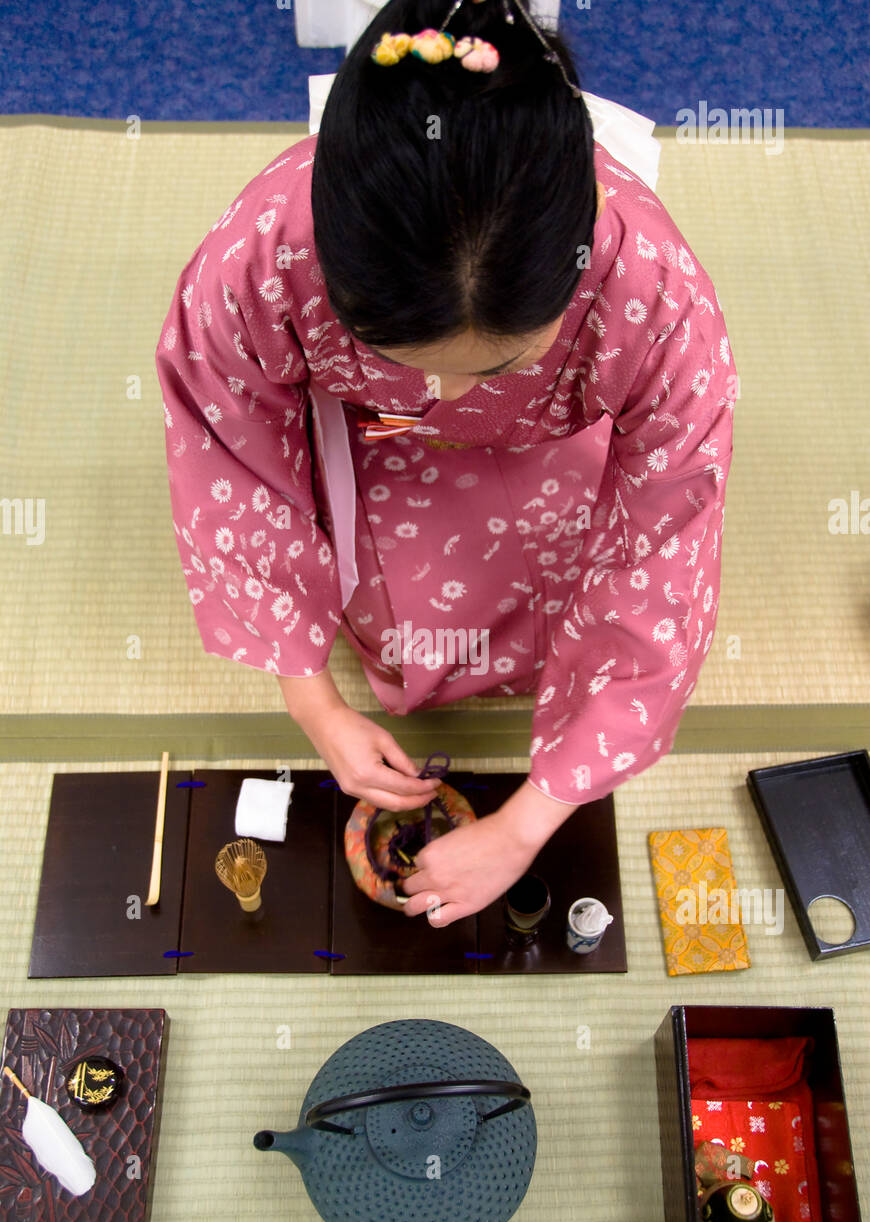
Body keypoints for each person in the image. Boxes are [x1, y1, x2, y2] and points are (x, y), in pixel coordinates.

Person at [155, 0, 735, 928]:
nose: (450, 397)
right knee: (403, 646)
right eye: (408, 349)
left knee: (576, 624)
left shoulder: (654, 299)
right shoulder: (262, 251)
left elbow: (664, 552)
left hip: (555, 436)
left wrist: (527, 824)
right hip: (371, 430)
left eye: (495, 359)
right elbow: (230, 444)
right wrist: (312, 704)